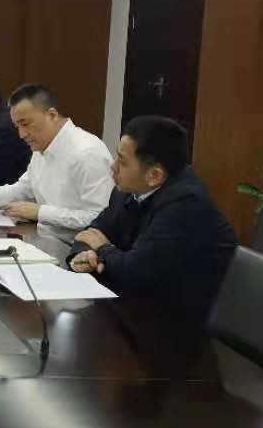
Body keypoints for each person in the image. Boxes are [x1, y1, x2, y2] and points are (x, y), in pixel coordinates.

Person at [69, 116, 237, 318]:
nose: (113, 167)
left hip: (183, 317)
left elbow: (135, 271)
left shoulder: (185, 204)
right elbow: (91, 233)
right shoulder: (128, 188)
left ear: (154, 175)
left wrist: (102, 249)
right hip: (138, 303)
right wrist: (85, 254)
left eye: (122, 161)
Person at [0, 84, 114, 239]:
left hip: (77, 250)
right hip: (45, 243)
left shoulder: (87, 152)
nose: (21, 134)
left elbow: (100, 218)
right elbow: (20, 191)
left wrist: (40, 212)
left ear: (52, 115)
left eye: (25, 124)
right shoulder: (41, 148)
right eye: (17, 126)